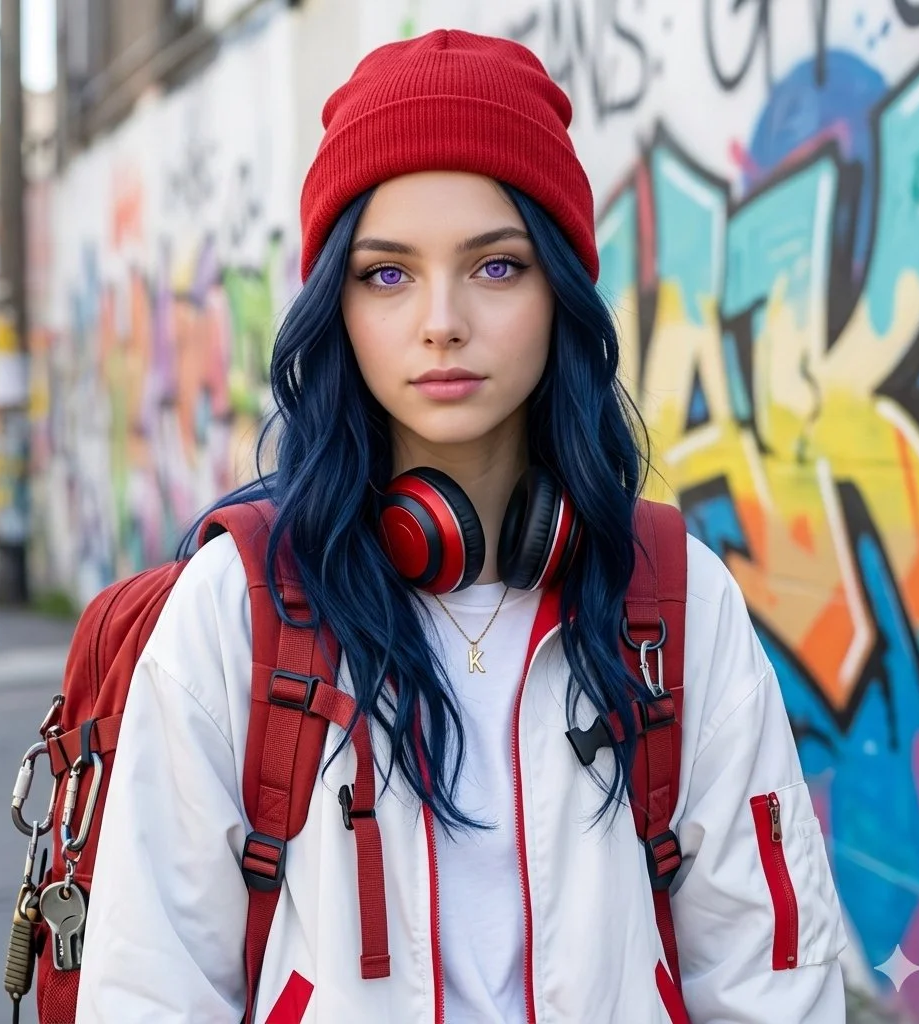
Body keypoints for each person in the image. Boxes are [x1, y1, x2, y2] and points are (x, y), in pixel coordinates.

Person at [77, 29, 847, 1023]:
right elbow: (151, 989)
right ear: (335, 306)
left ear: (559, 291)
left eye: (495, 267)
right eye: (386, 274)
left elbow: (767, 980)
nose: (441, 319)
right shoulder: (240, 610)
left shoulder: (670, 596)